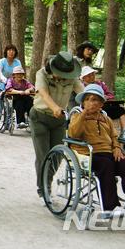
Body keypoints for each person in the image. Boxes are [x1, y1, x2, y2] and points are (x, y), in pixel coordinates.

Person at [68, 84, 125, 217]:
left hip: (108, 153)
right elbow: (73, 134)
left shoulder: (106, 119)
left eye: (95, 100)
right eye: (88, 99)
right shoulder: (77, 116)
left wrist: (116, 147)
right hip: (88, 153)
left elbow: (114, 136)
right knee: (106, 164)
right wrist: (84, 114)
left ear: (101, 104)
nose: (91, 103)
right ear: (83, 102)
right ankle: (112, 207)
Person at [30, 51, 83, 197]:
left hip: (59, 121)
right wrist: (55, 108)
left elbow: (82, 92)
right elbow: (43, 93)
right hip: (39, 117)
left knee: (57, 155)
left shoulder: (72, 76)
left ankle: (47, 182)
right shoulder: (42, 74)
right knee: (43, 155)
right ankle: (43, 189)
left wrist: (92, 101)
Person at [79, 66, 125, 140]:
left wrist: (105, 97)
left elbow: (110, 95)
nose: (92, 77)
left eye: (93, 74)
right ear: (83, 78)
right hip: (90, 109)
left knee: (120, 109)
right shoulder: (80, 86)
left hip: (103, 106)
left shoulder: (100, 84)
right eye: (89, 75)